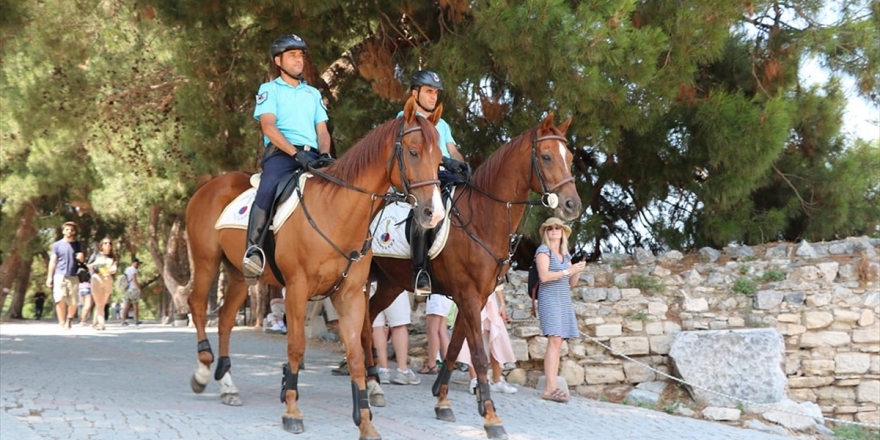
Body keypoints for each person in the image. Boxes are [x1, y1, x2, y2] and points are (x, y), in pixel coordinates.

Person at [241, 33, 331, 285]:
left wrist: (324, 154)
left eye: (301, 55)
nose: (299, 60)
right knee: (267, 188)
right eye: (292, 55)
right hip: (282, 155)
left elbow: (322, 130)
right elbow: (268, 127)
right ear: (278, 61)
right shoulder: (269, 90)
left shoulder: (313, 94)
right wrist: (295, 153)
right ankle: (253, 251)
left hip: (313, 155)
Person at [401, 70, 468, 295]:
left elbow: (452, 150)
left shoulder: (442, 124)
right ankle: (420, 271)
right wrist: (445, 161)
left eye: (436, 93)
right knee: (425, 212)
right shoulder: (405, 120)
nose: (433, 97)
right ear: (415, 93)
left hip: (442, 177)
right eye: (429, 91)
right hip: (419, 179)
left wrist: (461, 164)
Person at [534, 217, 585, 404]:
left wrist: (577, 269)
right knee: (554, 340)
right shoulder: (543, 251)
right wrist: (567, 271)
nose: (554, 231)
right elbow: (544, 276)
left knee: (558, 343)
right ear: (546, 233)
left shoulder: (566, 255)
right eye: (550, 228)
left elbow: (571, 283)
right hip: (549, 299)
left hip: (563, 300)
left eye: (557, 228)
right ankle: (549, 388)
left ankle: (552, 386)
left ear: (563, 232)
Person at [457, 285, 518, 394]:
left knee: (497, 336)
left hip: (491, 300)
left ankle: (497, 380)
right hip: (472, 297)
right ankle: (475, 380)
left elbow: (497, 279)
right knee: (472, 337)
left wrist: (502, 304)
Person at [370, 284, 420, 385]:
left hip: (370, 281)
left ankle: (383, 370)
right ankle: (403, 370)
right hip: (392, 282)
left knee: (377, 326)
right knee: (399, 325)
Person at [46, 221, 85, 330]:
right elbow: (53, 261)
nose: (69, 231)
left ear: (74, 232)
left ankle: (69, 319)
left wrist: (81, 256)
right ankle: (62, 323)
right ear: (63, 231)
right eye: (67, 229)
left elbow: (82, 260)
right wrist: (49, 277)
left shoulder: (78, 244)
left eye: (72, 230)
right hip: (59, 275)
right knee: (59, 298)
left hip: (73, 275)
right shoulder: (57, 245)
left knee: (73, 301)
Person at [87, 238, 117, 330]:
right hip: (96, 278)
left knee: (101, 304)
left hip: (107, 280)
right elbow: (88, 265)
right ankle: (102, 323)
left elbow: (114, 268)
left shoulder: (113, 257)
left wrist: (112, 269)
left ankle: (94, 323)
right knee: (99, 303)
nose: (108, 245)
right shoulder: (96, 255)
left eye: (109, 243)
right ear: (101, 245)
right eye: (105, 243)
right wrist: (96, 264)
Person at [424, 293, 454, 373]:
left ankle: (432, 365)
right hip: (446, 295)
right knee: (441, 330)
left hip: (436, 294)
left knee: (432, 329)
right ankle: (447, 365)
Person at [120, 258, 142, 327]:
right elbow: (134, 280)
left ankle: (123, 321)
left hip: (127, 289)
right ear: (133, 263)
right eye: (137, 263)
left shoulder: (127, 269)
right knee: (135, 305)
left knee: (126, 305)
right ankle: (136, 320)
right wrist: (139, 289)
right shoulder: (133, 269)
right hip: (133, 289)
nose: (137, 265)